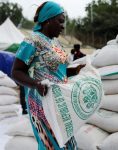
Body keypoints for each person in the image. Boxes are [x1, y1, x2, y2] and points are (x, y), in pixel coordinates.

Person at [11, 1, 78, 150]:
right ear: (48, 20)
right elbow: (16, 71)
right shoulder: (32, 40)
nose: (63, 26)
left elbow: (58, 70)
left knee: (67, 143)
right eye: (60, 21)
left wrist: (76, 71)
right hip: (42, 101)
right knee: (52, 144)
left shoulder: (55, 43)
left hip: (60, 101)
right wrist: (35, 84)